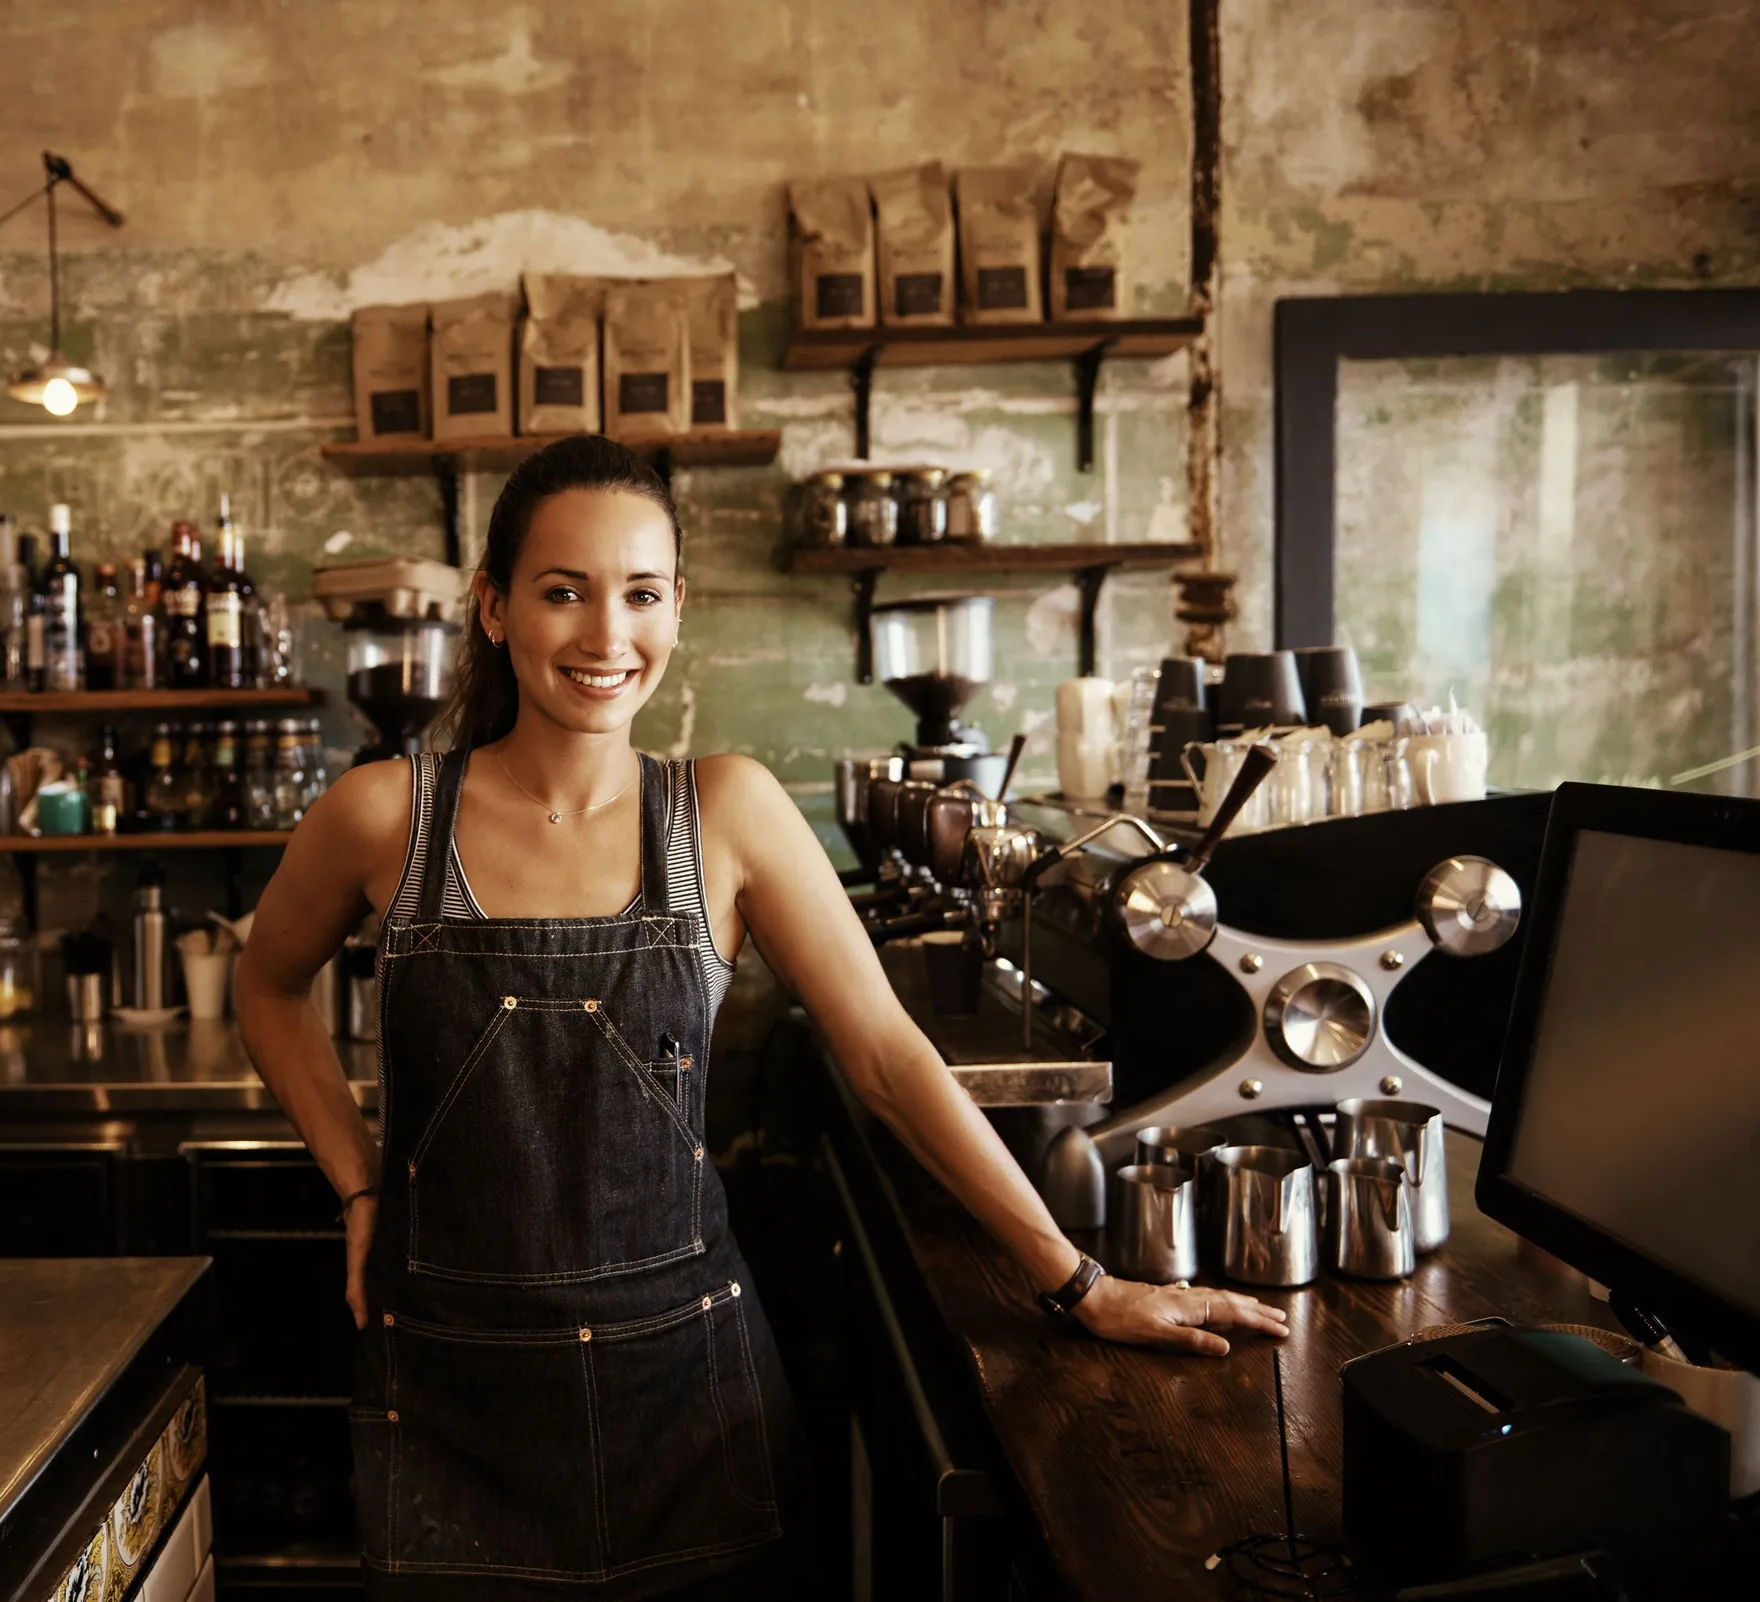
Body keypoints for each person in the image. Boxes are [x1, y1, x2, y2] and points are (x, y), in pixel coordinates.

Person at [235, 436, 1288, 1598]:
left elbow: (887, 1055)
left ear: (677, 610)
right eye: (561, 591)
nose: (603, 636)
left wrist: (1077, 1280)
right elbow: (266, 987)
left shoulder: (728, 810)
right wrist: (361, 1184)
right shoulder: (384, 815)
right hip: (448, 1394)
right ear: (492, 606)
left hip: (687, 1408)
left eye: (640, 593)